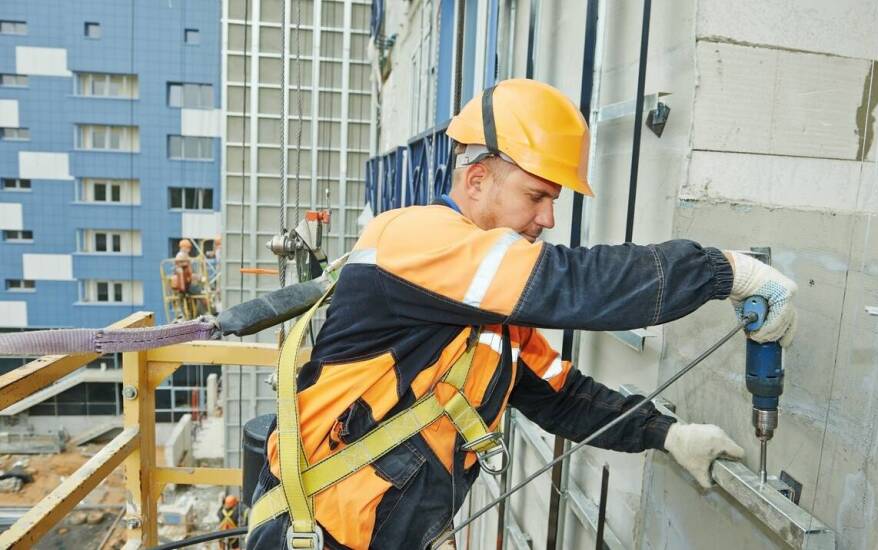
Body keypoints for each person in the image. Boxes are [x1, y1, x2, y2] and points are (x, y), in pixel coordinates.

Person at [246, 79, 797, 550]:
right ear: (478, 179)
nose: (549, 217)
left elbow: (560, 396)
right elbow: (572, 283)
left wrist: (666, 434)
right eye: (536, 196)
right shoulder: (415, 238)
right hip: (315, 531)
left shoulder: (481, 304)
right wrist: (724, 272)